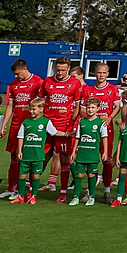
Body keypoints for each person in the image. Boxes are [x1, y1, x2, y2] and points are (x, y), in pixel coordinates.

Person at [40, 56, 86, 203]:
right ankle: (29, 190)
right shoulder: (47, 81)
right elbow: (40, 101)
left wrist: (72, 123)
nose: (59, 72)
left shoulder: (74, 83)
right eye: (57, 69)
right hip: (47, 125)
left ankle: (64, 192)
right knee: (39, 155)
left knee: (65, 159)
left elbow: (77, 105)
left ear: (68, 68)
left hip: (64, 126)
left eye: (63, 70)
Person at [0, 58, 46, 200]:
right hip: (15, 125)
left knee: (30, 159)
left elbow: (40, 105)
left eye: (18, 73)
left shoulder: (38, 82)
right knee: (14, 157)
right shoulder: (14, 85)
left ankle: (30, 190)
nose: (16, 76)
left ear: (25, 69)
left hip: (31, 126)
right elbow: (10, 106)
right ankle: (11, 188)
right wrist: (3, 125)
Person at [83, 62, 122, 190]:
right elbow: (83, 110)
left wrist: (110, 118)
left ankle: (107, 189)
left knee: (106, 159)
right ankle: (90, 190)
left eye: (104, 73)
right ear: (95, 73)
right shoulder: (88, 90)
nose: (101, 75)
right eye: (99, 72)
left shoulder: (113, 89)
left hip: (107, 128)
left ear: (108, 74)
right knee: (90, 160)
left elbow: (117, 107)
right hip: (91, 130)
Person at [15, 96, 52, 205]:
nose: (31, 111)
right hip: (26, 154)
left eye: (33, 109)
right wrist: (20, 151)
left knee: (36, 176)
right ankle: (21, 196)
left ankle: (33, 196)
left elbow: (54, 132)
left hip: (38, 155)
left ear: (41, 109)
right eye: (30, 109)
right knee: (21, 175)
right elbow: (20, 137)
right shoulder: (26, 122)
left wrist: (66, 134)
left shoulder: (45, 121)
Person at [69, 99, 107, 206]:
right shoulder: (82, 121)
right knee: (79, 175)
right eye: (89, 108)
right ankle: (75, 197)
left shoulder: (101, 123)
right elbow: (77, 137)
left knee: (91, 175)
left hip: (93, 153)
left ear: (98, 109)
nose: (90, 110)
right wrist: (74, 151)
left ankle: (91, 197)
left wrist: (105, 152)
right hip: (82, 152)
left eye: (93, 108)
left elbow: (104, 138)